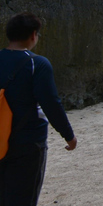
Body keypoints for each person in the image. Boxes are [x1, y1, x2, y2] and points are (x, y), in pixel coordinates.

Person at [0, 13, 77, 205]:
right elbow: (51, 104)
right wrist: (68, 135)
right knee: (23, 198)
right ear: (33, 35)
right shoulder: (37, 64)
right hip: (28, 143)